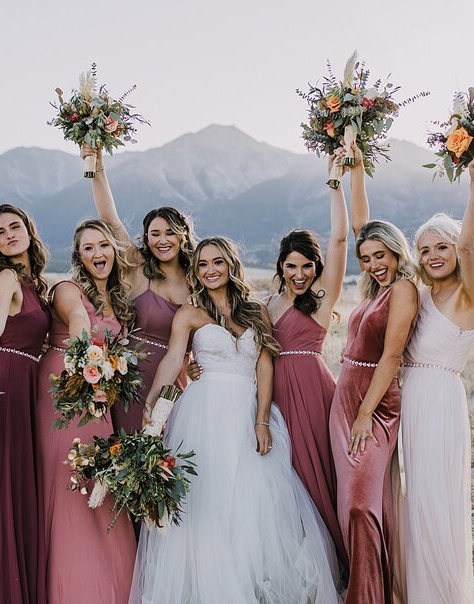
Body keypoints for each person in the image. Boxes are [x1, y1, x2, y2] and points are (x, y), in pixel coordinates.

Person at [129, 237, 340, 604]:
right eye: (203, 264)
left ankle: (250, 583)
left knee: (253, 500)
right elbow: (173, 358)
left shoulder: (257, 311)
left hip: (247, 411)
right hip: (203, 412)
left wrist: (261, 420)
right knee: (207, 499)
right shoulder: (189, 314)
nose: (211, 270)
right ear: (196, 271)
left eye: (218, 262)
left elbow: (265, 363)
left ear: (230, 265)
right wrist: (153, 398)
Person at [397, 156, 474, 603]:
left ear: (456, 250)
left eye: (442, 247)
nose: (433, 256)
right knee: (406, 498)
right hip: (404, 400)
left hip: (438, 401)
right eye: (425, 249)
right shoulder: (418, 294)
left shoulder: (469, 292)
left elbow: (473, 246)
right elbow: (367, 235)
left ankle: (438, 593)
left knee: (433, 498)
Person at [35, 219, 137, 602]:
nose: (98, 254)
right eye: (89, 248)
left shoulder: (122, 303)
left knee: (101, 482)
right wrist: (87, 355)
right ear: (79, 256)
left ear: (114, 251)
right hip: (65, 390)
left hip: (100, 398)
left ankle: (112, 584)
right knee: (69, 483)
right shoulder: (66, 289)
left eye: (104, 246)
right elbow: (78, 320)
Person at [333, 159, 418, 603]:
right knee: (350, 498)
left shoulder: (403, 288)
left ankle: (366, 597)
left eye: (379, 256)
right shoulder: (375, 289)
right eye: (365, 259)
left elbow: (391, 355)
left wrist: (365, 413)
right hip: (344, 397)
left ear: (395, 251)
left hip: (374, 404)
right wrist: (356, 168)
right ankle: (366, 584)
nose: (371, 264)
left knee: (360, 504)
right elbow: (363, 225)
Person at [265, 155, 350, 572]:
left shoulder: (320, 300)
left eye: (306, 266)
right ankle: (296, 562)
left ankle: (336, 557)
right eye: (291, 266)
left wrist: (335, 185)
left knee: (318, 470)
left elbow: (339, 241)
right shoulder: (266, 303)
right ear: (281, 266)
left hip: (313, 392)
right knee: (285, 475)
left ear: (316, 268)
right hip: (275, 393)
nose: (299, 274)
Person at [0, 204, 51, 604]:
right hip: (4, 384)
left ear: (29, 230)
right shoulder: (5, 277)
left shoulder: (35, 282)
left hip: (25, 385)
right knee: (5, 486)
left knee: (18, 484)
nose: (9, 235)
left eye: (15, 227)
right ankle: (3, 587)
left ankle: (19, 582)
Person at [86, 144, 196, 433]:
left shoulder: (198, 281)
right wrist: (97, 166)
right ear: (146, 239)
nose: (162, 240)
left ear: (183, 236)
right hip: (130, 376)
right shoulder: (138, 267)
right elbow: (110, 218)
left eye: (170, 233)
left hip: (175, 380)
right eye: (155, 234)